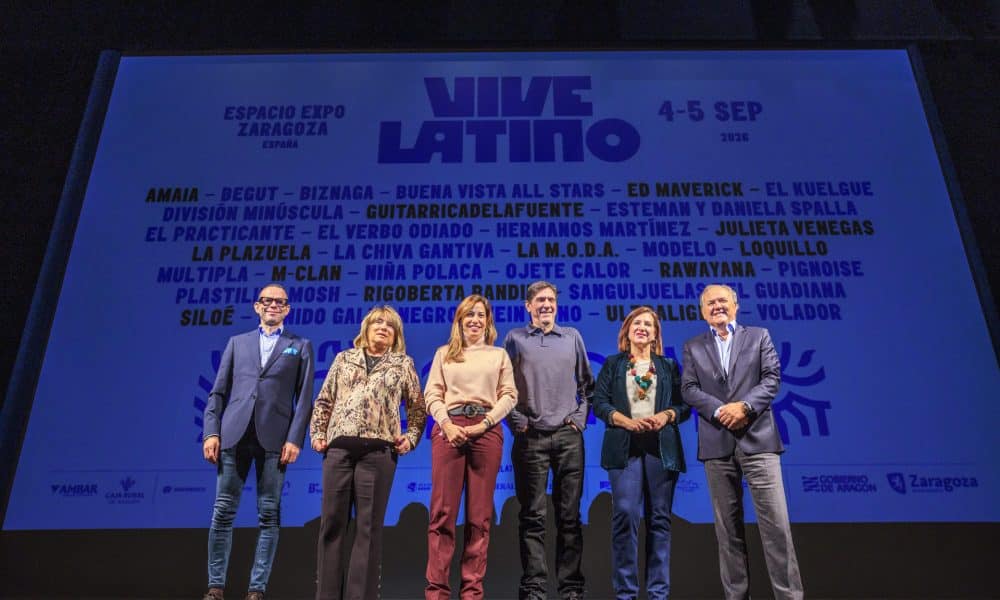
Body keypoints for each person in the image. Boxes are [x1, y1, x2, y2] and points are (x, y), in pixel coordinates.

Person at [680, 284, 803, 600]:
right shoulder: (693, 346)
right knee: (727, 533)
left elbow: (771, 378)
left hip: (758, 442)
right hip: (717, 444)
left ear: (735, 305)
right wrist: (721, 410)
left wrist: (745, 407)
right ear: (702, 310)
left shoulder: (758, 336)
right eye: (710, 303)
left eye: (722, 300)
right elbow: (689, 389)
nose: (717, 306)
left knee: (776, 528)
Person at [202, 283, 315, 600]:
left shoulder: (300, 345)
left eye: (280, 302)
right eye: (267, 301)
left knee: (268, 514)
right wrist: (212, 431)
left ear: (287, 309)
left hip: (275, 439)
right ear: (257, 306)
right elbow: (218, 392)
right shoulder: (238, 343)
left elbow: (304, 400)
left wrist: (295, 439)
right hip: (233, 434)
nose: (273, 306)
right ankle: (215, 586)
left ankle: (256, 590)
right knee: (223, 511)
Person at [310, 305, 427, 600]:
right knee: (332, 523)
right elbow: (324, 400)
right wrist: (318, 434)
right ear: (366, 327)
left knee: (368, 528)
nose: (383, 327)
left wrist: (411, 438)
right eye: (378, 322)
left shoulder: (403, 364)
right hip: (339, 449)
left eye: (390, 325)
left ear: (396, 334)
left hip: (378, 452)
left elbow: (417, 409)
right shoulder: (344, 359)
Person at [503, 281, 594, 600]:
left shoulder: (572, 337)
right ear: (528, 306)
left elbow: (588, 385)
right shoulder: (515, 339)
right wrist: (517, 421)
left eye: (551, 300)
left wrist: (579, 419)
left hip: (568, 438)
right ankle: (534, 590)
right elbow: (504, 387)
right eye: (540, 300)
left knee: (569, 516)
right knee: (532, 517)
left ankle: (570, 589)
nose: (546, 305)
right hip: (531, 440)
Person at [424, 294, 517, 600]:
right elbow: (432, 395)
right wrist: (448, 425)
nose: (475, 320)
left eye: (481, 315)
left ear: (488, 321)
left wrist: (485, 422)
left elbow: (509, 395)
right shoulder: (443, 354)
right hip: (448, 430)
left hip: (486, 432)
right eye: (469, 315)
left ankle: (472, 593)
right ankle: (436, 593)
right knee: (442, 515)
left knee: (479, 518)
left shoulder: (499, 355)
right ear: (459, 321)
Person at [593, 306, 690, 600]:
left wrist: (667, 415)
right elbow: (599, 403)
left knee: (659, 519)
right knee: (625, 514)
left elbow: (684, 405)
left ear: (655, 334)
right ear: (627, 330)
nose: (643, 327)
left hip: (661, 448)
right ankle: (626, 593)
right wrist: (626, 421)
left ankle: (658, 593)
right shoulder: (612, 364)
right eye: (637, 323)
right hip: (624, 447)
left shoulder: (668, 366)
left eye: (649, 324)